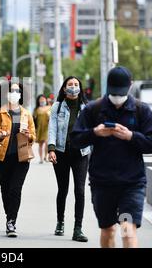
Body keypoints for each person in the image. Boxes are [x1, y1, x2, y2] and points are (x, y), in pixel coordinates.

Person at [71, 66, 152, 248]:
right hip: (102, 183)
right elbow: (75, 139)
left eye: (120, 93)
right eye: (114, 93)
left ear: (130, 86)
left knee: (127, 230)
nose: (117, 97)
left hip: (131, 184)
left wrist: (131, 136)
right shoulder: (93, 110)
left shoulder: (140, 110)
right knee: (108, 230)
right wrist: (95, 133)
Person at [47, 76, 91, 242]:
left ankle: (78, 228)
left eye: (76, 84)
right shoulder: (57, 107)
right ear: (64, 89)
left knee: (79, 191)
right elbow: (52, 128)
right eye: (70, 84)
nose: (73, 87)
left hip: (81, 153)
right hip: (61, 152)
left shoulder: (86, 108)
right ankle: (60, 222)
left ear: (80, 87)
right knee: (63, 189)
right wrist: (51, 149)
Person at [0, 80, 36, 237]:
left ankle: (11, 221)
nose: (14, 93)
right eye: (11, 90)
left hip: (22, 158)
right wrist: (0, 135)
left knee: (15, 190)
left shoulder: (26, 113)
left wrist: (28, 136)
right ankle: (9, 216)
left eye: (17, 91)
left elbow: (33, 136)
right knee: (5, 190)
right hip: (3, 157)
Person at [33, 94, 50, 163]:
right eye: (40, 99)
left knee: (46, 142)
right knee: (40, 144)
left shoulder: (49, 107)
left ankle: (45, 156)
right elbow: (34, 119)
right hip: (40, 128)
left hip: (47, 128)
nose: (42, 100)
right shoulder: (36, 109)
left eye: (43, 99)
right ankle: (41, 158)